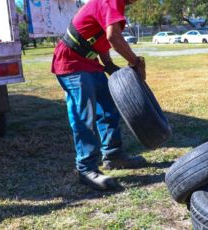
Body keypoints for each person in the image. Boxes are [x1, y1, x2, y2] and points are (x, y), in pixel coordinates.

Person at [51, 0, 146, 190]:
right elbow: (113, 37)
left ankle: (113, 155)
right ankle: (86, 169)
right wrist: (135, 62)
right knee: (84, 117)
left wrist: (109, 65)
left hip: (90, 62)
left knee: (109, 109)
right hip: (71, 62)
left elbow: (100, 38)